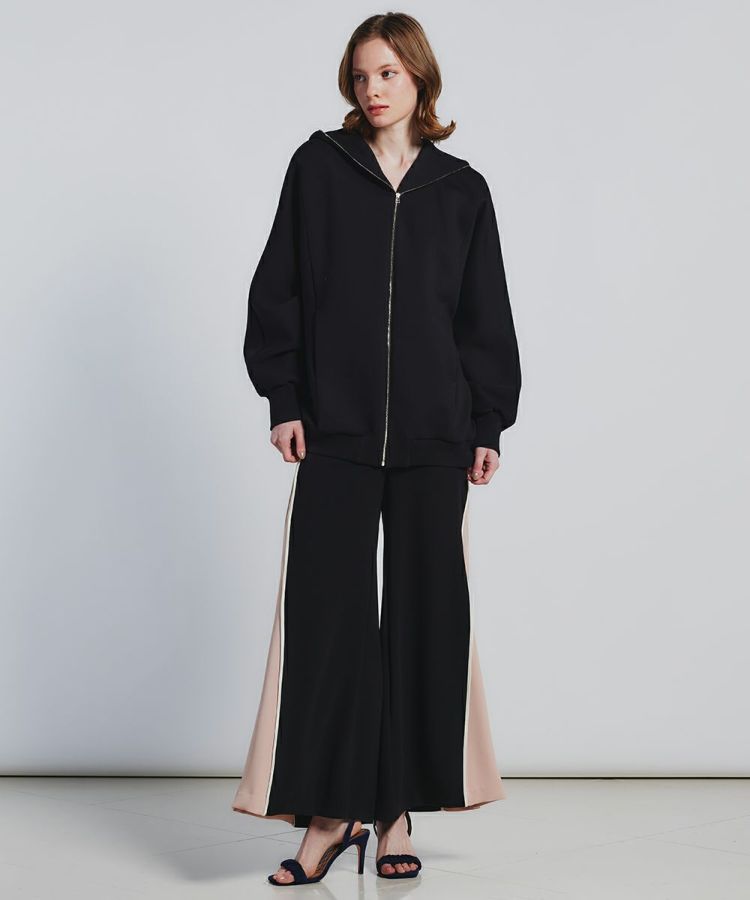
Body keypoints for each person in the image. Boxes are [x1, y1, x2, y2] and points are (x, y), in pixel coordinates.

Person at [231, 11, 522, 887]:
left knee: (426, 623)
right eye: (361, 75)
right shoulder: (319, 168)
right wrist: (286, 399)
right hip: (338, 431)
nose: (373, 89)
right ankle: (329, 817)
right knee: (328, 622)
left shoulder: (461, 189)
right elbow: (277, 288)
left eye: (388, 73)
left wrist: (487, 423)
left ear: (419, 78)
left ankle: (393, 815)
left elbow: (483, 315)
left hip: (436, 435)